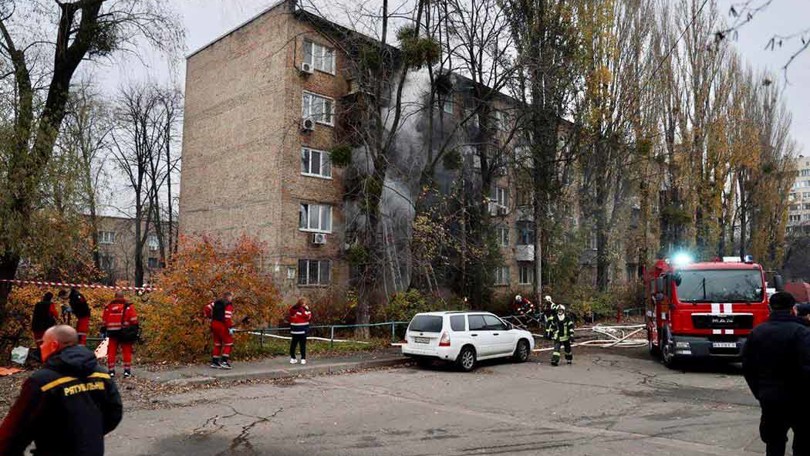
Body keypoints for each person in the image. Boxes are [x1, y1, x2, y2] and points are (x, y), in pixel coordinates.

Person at [0, 325, 122, 456]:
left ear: (53, 345)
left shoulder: (43, 381)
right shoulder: (101, 374)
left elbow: (14, 431)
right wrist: (89, 434)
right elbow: (114, 412)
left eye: (43, 343)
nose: (40, 347)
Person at [742, 291, 810, 456]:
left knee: (774, 442)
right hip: (800, 400)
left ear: (770, 308)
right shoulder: (802, 332)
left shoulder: (757, 332)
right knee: (803, 442)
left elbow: (748, 367)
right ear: (793, 309)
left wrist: (759, 392)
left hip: (770, 398)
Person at [101, 291, 139, 378]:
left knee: (111, 352)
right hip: (125, 333)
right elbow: (134, 320)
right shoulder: (128, 306)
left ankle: (111, 371)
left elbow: (104, 321)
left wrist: (104, 329)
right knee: (126, 352)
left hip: (112, 333)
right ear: (123, 297)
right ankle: (127, 371)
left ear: (115, 297)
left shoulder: (108, 307)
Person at [204, 291, 234, 369]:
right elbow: (227, 318)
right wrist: (230, 328)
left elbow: (207, 308)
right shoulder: (228, 304)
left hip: (214, 324)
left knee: (217, 343)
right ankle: (224, 362)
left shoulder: (216, 302)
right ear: (229, 297)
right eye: (231, 297)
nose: (232, 299)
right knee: (228, 343)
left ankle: (215, 362)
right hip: (222, 325)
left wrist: (210, 317)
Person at [288, 297, 312, 365]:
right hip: (302, 330)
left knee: (293, 344)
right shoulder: (303, 310)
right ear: (303, 304)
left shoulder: (293, 310)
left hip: (294, 330)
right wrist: (307, 309)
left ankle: (293, 358)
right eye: (305, 303)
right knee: (302, 345)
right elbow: (308, 316)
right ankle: (303, 359)